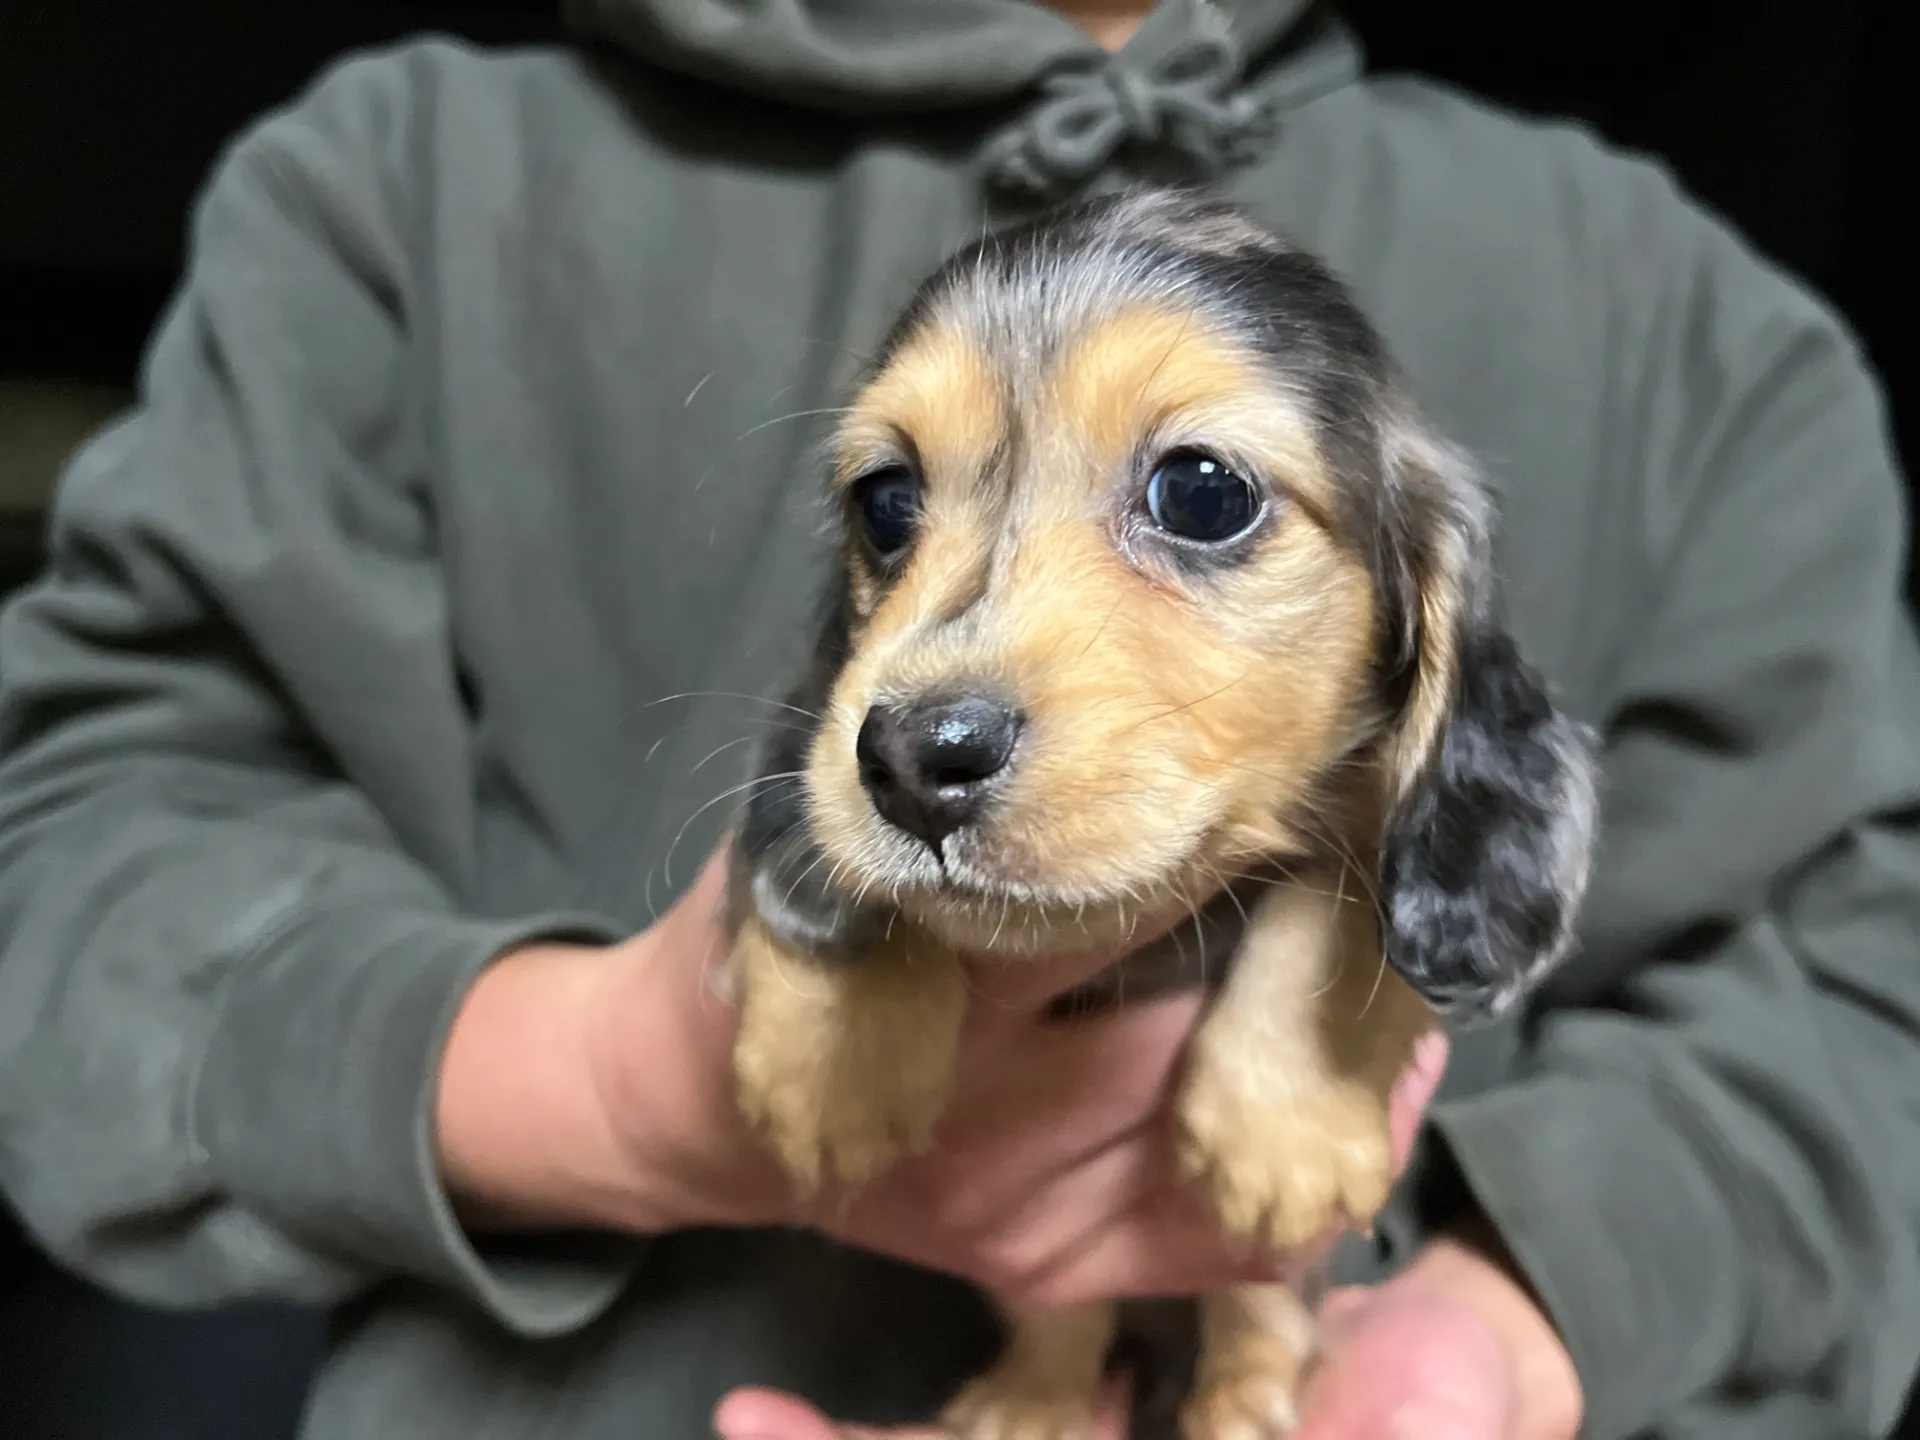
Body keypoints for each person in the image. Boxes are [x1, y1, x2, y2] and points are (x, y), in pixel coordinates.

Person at [0, 0, 1916, 1436]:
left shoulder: (1691, 332)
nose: (928, 698)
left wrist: (1496, 1331)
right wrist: (608, 1088)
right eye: (890, 508)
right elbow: (67, 867)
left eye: (1200, 498)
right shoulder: (393, 193)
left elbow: (1870, 996)